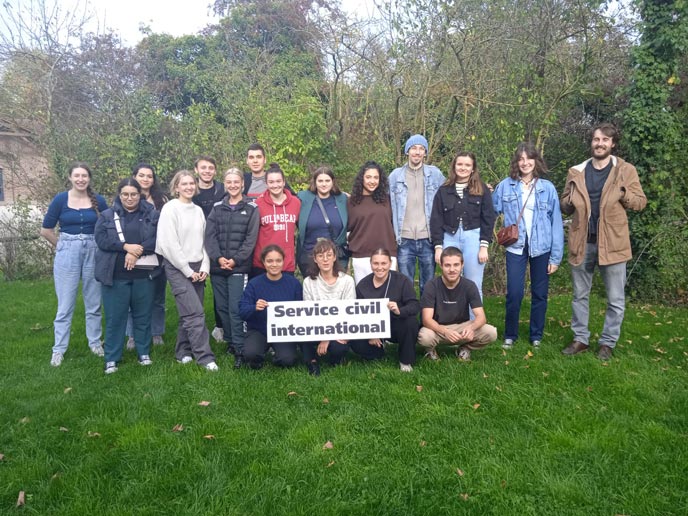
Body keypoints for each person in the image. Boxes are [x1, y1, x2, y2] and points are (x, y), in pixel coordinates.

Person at [560, 123, 647, 360]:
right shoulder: (576, 171)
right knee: (579, 295)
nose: (600, 144)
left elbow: (640, 202)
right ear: (591, 142)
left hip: (614, 242)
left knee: (616, 299)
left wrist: (623, 193)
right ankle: (580, 339)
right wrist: (567, 201)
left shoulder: (625, 170)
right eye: (596, 139)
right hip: (582, 242)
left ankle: (607, 343)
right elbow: (565, 205)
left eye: (605, 140)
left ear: (612, 144)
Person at [493, 143, 564, 350]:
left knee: (540, 293)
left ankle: (536, 335)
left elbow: (556, 223)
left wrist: (555, 257)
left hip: (541, 247)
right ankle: (510, 334)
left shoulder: (547, 188)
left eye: (529, 158)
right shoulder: (506, 185)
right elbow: (490, 209)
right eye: (521, 159)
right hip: (516, 247)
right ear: (516, 162)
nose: (525, 163)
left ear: (535, 161)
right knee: (514, 292)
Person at [40, 162, 108, 367]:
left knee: (94, 302)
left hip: (93, 250)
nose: (81, 179)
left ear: (89, 178)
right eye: (77, 176)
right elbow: (46, 230)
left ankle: (95, 343)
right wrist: (61, 246)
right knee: (65, 304)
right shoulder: (61, 200)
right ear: (70, 177)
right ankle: (59, 349)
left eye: (84, 176)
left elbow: (108, 225)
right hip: (67, 251)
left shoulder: (99, 201)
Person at [95, 178, 161, 374]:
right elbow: (102, 240)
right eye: (125, 194)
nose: (129, 198)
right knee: (116, 317)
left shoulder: (152, 214)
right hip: (115, 275)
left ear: (139, 194)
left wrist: (135, 253)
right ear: (119, 195)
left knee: (142, 315)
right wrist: (125, 247)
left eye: (133, 194)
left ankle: (143, 352)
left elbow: (157, 238)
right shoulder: (107, 216)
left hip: (144, 274)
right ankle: (112, 358)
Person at [156, 170, 218, 371]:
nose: (189, 187)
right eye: (184, 184)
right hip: (177, 267)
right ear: (176, 187)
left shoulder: (198, 210)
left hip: (198, 266)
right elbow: (169, 244)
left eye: (192, 183)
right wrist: (187, 271)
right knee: (195, 313)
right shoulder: (170, 209)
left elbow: (204, 241)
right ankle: (205, 357)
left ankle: (182, 352)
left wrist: (204, 268)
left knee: (188, 312)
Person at [205, 168, 259, 368]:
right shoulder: (217, 207)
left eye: (236, 182)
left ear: (242, 185)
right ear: (225, 184)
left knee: (236, 308)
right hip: (218, 267)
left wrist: (235, 260)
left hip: (239, 267)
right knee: (222, 308)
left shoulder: (251, 208)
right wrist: (218, 258)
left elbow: (250, 239)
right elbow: (209, 236)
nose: (233, 185)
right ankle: (230, 340)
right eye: (229, 182)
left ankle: (240, 347)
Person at [430, 151, 496, 311]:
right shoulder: (443, 190)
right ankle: (452, 323)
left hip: (473, 238)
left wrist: (484, 246)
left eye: (467, 165)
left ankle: (474, 326)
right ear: (454, 166)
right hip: (449, 237)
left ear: (473, 168)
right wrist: (438, 247)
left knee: (474, 284)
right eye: (460, 164)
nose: (463, 168)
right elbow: (436, 220)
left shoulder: (482, 189)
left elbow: (488, 218)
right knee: (450, 284)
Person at [417, 247, 497, 361]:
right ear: (441, 266)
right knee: (425, 337)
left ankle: (465, 348)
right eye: (447, 265)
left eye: (456, 265)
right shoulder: (431, 286)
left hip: (462, 328)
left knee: (491, 332)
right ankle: (430, 350)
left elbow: (481, 317)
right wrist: (444, 331)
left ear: (462, 265)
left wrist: (471, 328)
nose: (452, 269)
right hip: (437, 329)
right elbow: (426, 319)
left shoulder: (469, 286)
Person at [389, 134, 444, 294]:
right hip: (404, 240)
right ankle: (409, 319)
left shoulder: (435, 175)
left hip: (428, 238)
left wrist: (479, 187)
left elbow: (450, 193)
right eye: (414, 148)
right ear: (407, 151)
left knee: (427, 287)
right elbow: (382, 199)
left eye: (421, 149)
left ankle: (426, 319)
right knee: (406, 286)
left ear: (425, 153)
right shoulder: (395, 176)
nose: (417, 152)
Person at [350, 248, 420, 372]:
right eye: (376, 263)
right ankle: (377, 352)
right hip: (373, 328)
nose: (379, 267)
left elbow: (414, 305)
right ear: (371, 264)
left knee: (411, 322)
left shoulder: (402, 280)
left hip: (396, 325)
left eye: (384, 263)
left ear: (390, 264)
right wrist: (370, 333)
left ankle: (405, 361)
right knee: (356, 341)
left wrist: (400, 311)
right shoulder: (362, 285)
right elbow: (358, 315)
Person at [239, 244, 303, 369]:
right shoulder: (254, 284)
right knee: (251, 355)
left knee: (287, 360)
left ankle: (277, 355)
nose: (274, 264)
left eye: (278, 260)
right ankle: (259, 355)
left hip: (283, 331)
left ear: (283, 262)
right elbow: (242, 311)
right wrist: (254, 307)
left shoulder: (293, 283)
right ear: (263, 262)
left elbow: (301, 310)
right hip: (259, 329)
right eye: (270, 261)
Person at [125, 162, 167, 349]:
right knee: (133, 298)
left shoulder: (162, 200)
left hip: (157, 253)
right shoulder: (126, 198)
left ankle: (156, 333)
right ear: (135, 177)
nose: (146, 179)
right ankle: (133, 335)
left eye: (149, 176)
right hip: (132, 254)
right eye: (142, 175)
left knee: (157, 296)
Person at [301, 238, 356, 376]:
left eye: (329, 255)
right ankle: (312, 362)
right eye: (320, 256)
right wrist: (323, 337)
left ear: (334, 257)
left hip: (340, 327)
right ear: (315, 259)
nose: (325, 260)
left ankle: (336, 358)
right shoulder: (308, 282)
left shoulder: (347, 281)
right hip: (316, 327)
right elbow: (310, 314)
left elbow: (349, 313)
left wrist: (329, 337)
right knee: (301, 334)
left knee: (338, 348)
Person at [191, 155, 226, 343]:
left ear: (215, 170)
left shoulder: (222, 190)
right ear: (196, 170)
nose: (207, 171)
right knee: (195, 287)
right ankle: (195, 327)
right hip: (194, 244)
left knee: (219, 288)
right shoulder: (190, 190)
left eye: (210, 168)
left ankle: (220, 327)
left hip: (219, 243)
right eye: (203, 168)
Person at [347, 161, 397, 284]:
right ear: (362, 179)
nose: (372, 181)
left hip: (387, 254)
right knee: (364, 297)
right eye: (368, 177)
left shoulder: (388, 200)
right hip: (361, 256)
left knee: (387, 296)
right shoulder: (351, 202)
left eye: (376, 177)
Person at [297, 166, 349, 276]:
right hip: (310, 257)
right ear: (315, 182)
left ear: (333, 182)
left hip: (336, 258)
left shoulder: (342, 199)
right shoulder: (303, 198)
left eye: (327, 180)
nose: (324, 184)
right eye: (320, 181)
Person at [252, 163, 300, 276]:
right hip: (263, 264)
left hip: (286, 264)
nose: (275, 185)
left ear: (284, 182)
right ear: (266, 183)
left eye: (278, 181)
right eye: (271, 182)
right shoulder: (258, 204)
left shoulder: (296, 203)